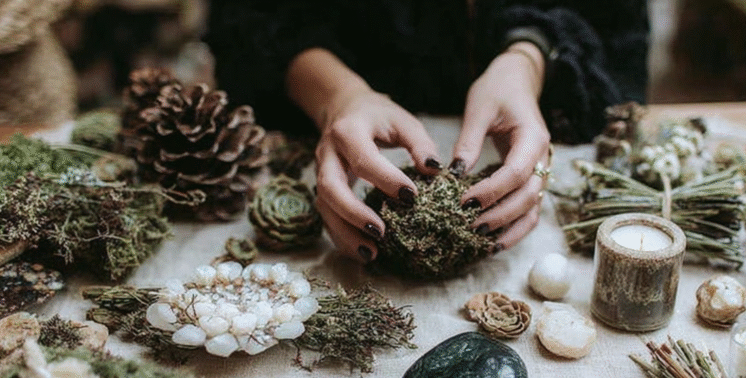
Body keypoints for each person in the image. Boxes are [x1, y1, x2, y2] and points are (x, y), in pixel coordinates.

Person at [205, 1, 649, 263]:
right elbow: (249, 22)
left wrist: (529, 60)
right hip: (340, 123)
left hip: (513, 111)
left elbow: (614, 25)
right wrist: (337, 94)